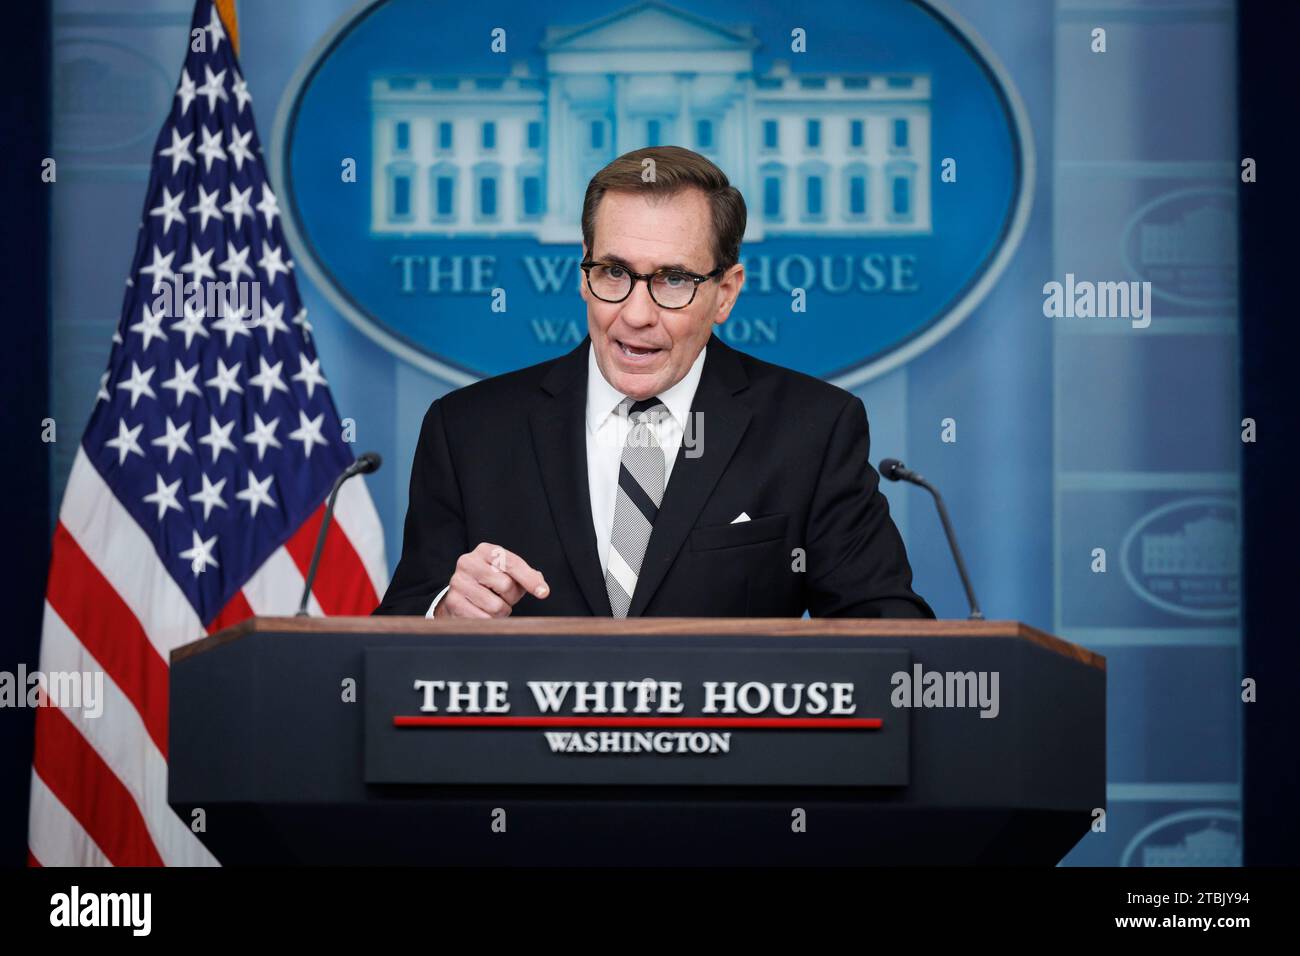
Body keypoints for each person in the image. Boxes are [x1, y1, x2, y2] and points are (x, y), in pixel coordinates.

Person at [375, 145, 933, 619]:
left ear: (726, 292)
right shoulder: (468, 430)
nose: (637, 314)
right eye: (614, 272)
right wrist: (446, 611)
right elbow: (394, 630)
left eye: (673, 279)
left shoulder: (812, 431)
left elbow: (888, 628)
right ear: (584, 274)